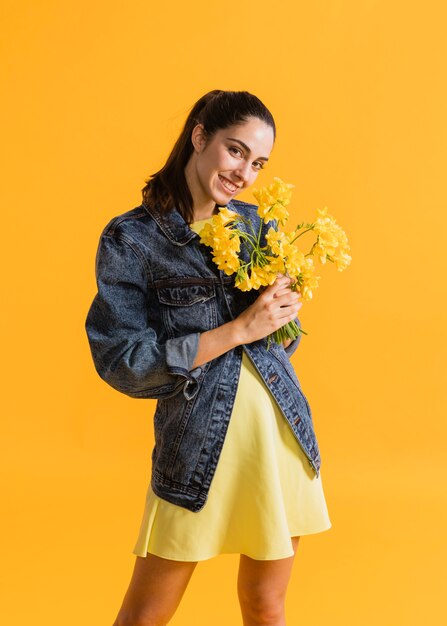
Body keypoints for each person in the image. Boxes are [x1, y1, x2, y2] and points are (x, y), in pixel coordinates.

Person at [85, 89, 331, 626]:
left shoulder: (255, 225)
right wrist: (240, 328)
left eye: (259, 162)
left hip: (277, 435)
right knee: (145, 615)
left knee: (266, 604)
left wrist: (282, 317)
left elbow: (279, 347)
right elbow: (123, 359)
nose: (245, 173)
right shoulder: (132, 239)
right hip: (197, 445)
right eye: (235, 151)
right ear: (200, 136)